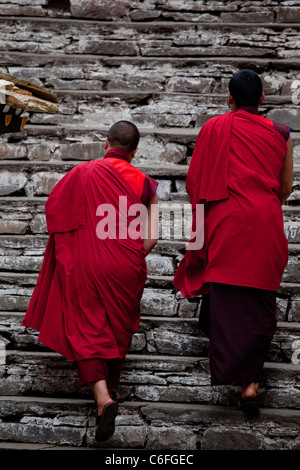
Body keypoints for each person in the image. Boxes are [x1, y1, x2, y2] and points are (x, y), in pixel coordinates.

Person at [22, 120, 159, 440]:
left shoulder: (82, 173)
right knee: (116, 325)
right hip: (127, 263)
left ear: (105, 144)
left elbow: (55, 209)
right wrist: (127, 252)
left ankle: (103, 397)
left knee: (87, 325)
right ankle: (106, 399)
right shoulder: (145, 183)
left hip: (87, 261)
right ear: (134, 152)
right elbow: (152, 238)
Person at [173, 69, 293, 412]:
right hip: (265, 223)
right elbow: (284, 188)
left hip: (225, 222)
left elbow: (195, 183)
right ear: (261, 100)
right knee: (259, 303)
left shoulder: (213, 128)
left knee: (224, 298)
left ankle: (243, 379)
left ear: (228, 99)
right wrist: (262, 205)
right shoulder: (281, 134)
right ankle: (251, 384)